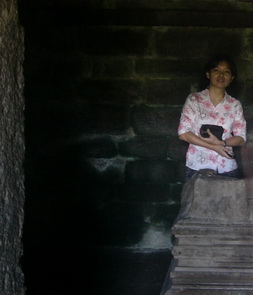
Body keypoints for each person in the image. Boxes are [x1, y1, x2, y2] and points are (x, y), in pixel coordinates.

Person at [178, 54, 247, 182]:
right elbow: (183, 133)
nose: (221, 75)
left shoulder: (234, 104)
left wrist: (222, 143)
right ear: (208, 74)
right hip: (197, 165)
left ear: (231, 78)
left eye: (226, 72)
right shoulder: (194, 100)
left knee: (228, 201)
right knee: (198, 202)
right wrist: (214, 146)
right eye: (216, 70)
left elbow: (241, 138)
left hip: (226, 166)